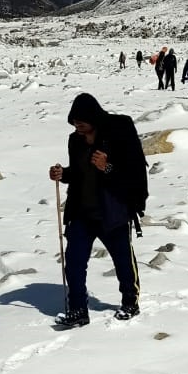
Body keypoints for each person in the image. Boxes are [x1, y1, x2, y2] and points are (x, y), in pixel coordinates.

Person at [49, 93, 148, 329]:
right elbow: (80, 173)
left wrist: (108, 167)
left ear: (94, 117)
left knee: (123, 261)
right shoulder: (76, 141)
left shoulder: (118, 133)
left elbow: (133, 172)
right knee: (73, 262)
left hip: (112, 211)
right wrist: (64, 174)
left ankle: (130, 302)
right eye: (74, 121)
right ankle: (78, 310)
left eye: (81, 120)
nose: (78, 125)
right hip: (83, 212)